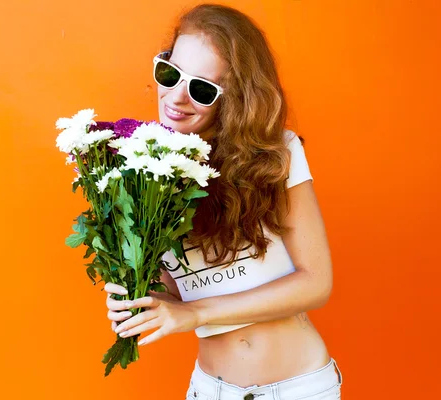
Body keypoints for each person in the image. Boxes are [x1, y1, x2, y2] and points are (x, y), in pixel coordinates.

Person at [104, 4, 342, 399]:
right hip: (209, 389)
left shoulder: (274, 157)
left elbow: (316, 284)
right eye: (170, 73)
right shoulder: (145, 175)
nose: (176, 97)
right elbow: (182, 292)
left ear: (236, 97)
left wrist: (194, 314)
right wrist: (141, 300)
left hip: (297, 389)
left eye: (202, 88)